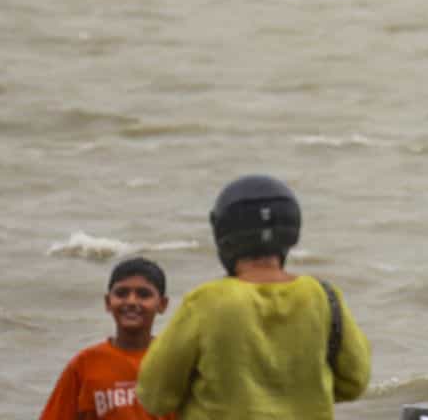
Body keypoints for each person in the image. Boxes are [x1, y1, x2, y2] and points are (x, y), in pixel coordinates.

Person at [137, 174, 370, 419]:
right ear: (292, 232)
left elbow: (155, 395)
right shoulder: (324, 296)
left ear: (223, 233)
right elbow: (354, 381)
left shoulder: (206, 302)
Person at [39, 256, 175, 420]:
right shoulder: (85, 365)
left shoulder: (176, 364)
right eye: (121, 293)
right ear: (108, 302)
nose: (131, 301)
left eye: (143, 294)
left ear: (162, 304)